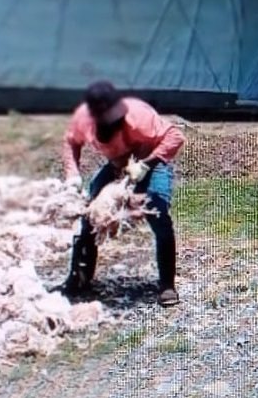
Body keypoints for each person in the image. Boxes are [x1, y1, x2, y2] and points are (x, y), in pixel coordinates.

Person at [61, 80, 185, 307]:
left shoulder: (138, 116)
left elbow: (175, 136)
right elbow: (71, 142)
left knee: (157, 209)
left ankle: (167, 285)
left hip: (151, 160)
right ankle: (80, 277)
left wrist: (146, 164)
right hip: (118, 164)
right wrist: (73, 175)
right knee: (91, 214)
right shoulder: (83, 120)